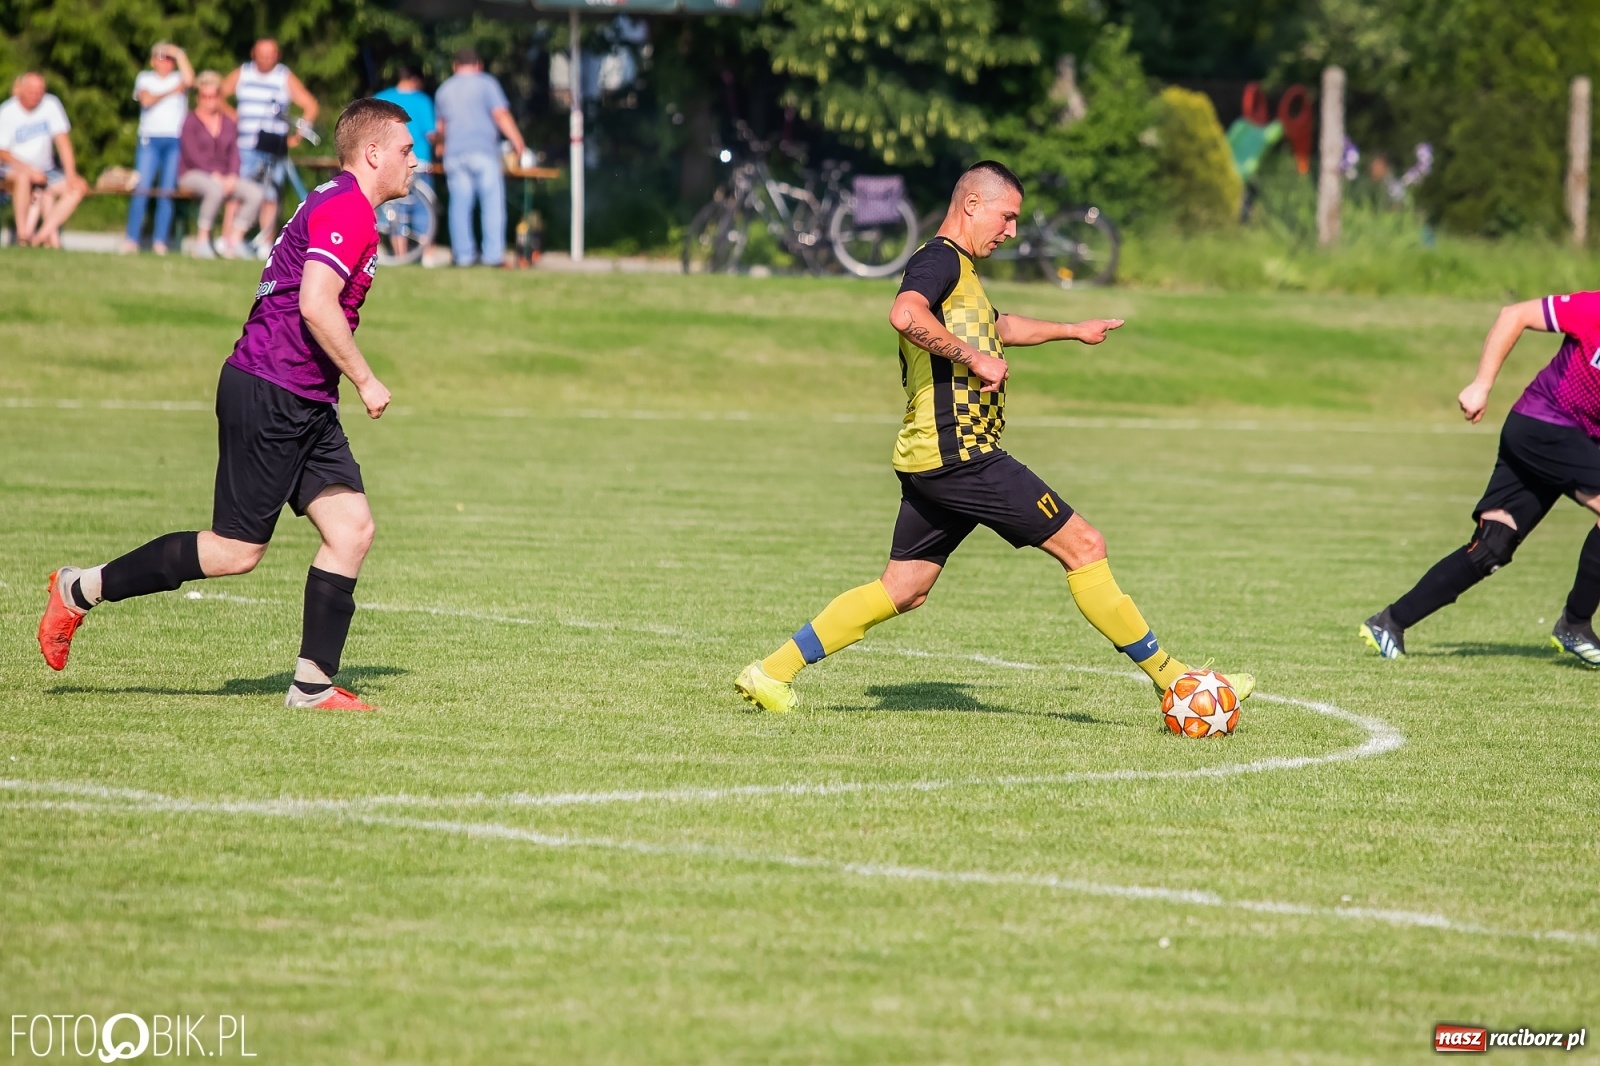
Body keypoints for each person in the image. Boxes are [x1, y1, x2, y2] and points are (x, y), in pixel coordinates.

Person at [734, 161, 1256, 714]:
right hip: (962, 453)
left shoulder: (960, 272)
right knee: (1085, 545)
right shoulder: (938, 259)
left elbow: (1000, 326)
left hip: (929, 455)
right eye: (1006, 217)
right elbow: (904, 313)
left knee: (903, 588)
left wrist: (1072, 330)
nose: (1010, 232)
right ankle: (1176, 681)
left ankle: (770, 673)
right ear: (972, 205)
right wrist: (973, 358)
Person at [37, 98, 417, 712]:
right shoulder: (347, 206)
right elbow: (315, 304)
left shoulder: (338, 201)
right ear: (372, 153)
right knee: (236, 551)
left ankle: (312, 686)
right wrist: (367, 380)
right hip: (271, 389)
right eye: (405, 149)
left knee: (352, 529)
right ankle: (80, 587)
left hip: (303, 396)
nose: (414, 161)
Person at [1362, 293, 1600, 665]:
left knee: (1493, 546)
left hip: (1573, 440)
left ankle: (1389, 622)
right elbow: (1514, 315)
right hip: (1542, 426)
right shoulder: (1593, 308)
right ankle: (1575, 624)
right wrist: (1481, 384)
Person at [222, 38, 319, 249]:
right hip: (245, 145)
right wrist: (232, 116)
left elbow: (310, 105)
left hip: (273, 147)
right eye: (262, 53)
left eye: (270, 54)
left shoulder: (283, 76)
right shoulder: (243, 73)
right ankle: (227, 239)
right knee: (238, 193)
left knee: (270, 196)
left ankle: (266, 243)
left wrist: (297, 136)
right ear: (253, 54)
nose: (265, 58)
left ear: (277, 55)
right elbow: (219, 95)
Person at [434, 49, 525, 268]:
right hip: (483, 151)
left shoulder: (444, 89)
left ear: (455, 66)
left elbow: (441, 127)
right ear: (479, 64)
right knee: (492, 204)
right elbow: (500, 114)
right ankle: (492, 256)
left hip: (454, 153)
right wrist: (517, 141)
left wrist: (440, 148)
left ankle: (463, 256)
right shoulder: (487, 84)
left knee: (459, 205)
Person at [178, 71, 263, 259]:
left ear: (219, 97)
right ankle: (202, 240)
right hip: (193, 173)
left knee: (255, 193)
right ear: (198, 98)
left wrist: (232, 175)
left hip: (224, 176)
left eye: (213, 96)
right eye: (204, 96)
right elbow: (192, 155)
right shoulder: (190, 121)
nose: (209, 100)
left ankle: (234, 240)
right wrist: (213, 174)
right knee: (214, 190)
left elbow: (234, 152)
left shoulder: (228, 122)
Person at [0, 72, 89, 248]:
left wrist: (71, 174)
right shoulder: (7, 111)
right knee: (23, 179)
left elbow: (63, 142)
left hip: (46, 170)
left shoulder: (51, 104)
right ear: (20, 90)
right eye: (32, 91)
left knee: (78, 188)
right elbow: (2, 152)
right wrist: (29, 171)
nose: (36, 95)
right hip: (12, 169)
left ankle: (40, 236)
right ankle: (23, 234)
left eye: (40, 90)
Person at [123, 42, 194, 255]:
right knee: (142, 188)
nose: (166, 62)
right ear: (153, 61)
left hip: (174, 140)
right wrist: (173, 91)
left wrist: (179, 52)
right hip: (150, 139)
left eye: (169, 59)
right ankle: (132, 238)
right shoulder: (145, 78)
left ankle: (160, 240)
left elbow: (190, 79)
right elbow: (147, 100)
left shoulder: (178, 77)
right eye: (162, 57)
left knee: (166, 191)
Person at [373, 65, 436, 260]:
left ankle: (400, 254)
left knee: (396, 207)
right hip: (420, 161)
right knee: (423, 208)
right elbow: (431, 133)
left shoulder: (381, 98)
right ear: (416, 79)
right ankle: (426, 254)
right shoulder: (422, 100)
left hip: (390, 160)